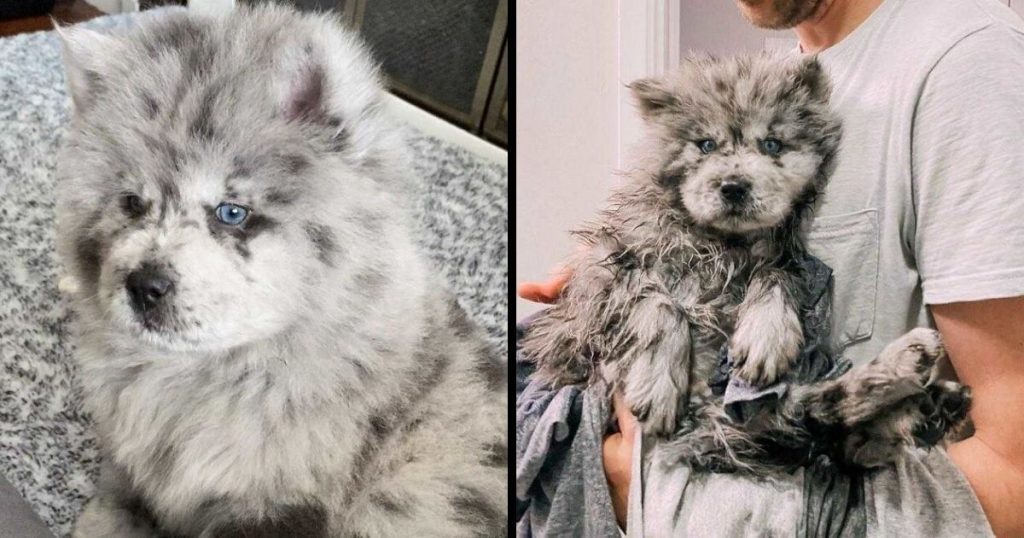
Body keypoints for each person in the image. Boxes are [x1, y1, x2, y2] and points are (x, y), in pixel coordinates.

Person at [518, 0, 1024, 535]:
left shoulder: (967, 64)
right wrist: (627, 261)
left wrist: (647, 491)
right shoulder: (790, 73)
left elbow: (1013, 477)